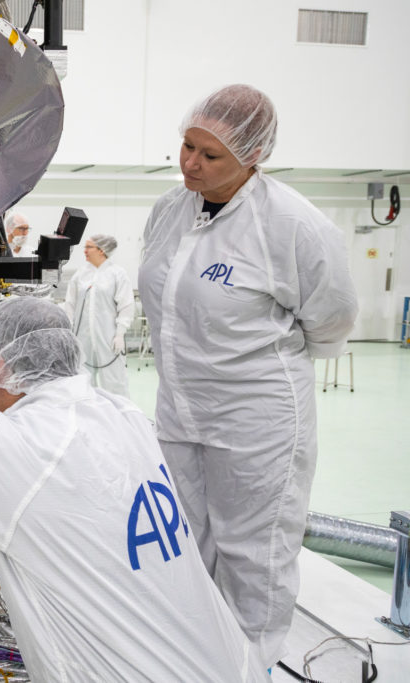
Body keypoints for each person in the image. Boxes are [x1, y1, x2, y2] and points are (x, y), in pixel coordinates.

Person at [0, 298, 265, 681]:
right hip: (230, 665)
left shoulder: (20, 451)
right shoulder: (119, 413)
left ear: (1, 368)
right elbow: (9, 391)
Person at [137, 84, 358, 669]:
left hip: (255, 418)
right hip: (180, 410)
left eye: (210, 157)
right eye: (187, 146)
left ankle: (247, 666)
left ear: (252, 156)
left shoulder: (292, 225)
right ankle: (194, 656)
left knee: (253, 553)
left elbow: (331, 319)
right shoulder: (169, 209)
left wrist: (248, 365)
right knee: (181, 538)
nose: (190, 164)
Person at [64, 234, 134, 397]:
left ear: (102, 250)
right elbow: (70, 304)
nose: (85, 251)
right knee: (82, 380)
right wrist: (68, 331)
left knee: (115, 381)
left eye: (89, 247)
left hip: (108, 338)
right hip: (82, 338)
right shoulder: (80, 275)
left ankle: (119, 417)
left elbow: (126, 305)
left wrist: (120, 334)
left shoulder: (117, 274)